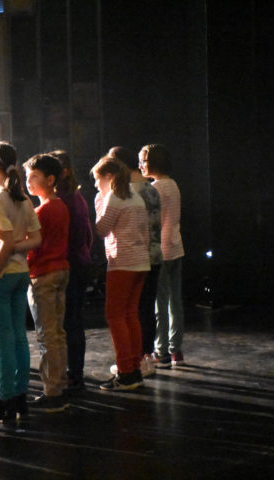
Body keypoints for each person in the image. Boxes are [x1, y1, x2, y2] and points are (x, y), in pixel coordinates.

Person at [0, 141, 41, 424]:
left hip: (0, 276)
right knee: (19, 340)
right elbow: (35, 239)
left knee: (4, 343)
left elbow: (5, 242)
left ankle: (4, 400)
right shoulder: (23, 199)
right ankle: (20, 398)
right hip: (21, 273)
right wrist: (14, 247)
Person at [91, 155, 149, 391]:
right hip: (140, 261)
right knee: (130, 315)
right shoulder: (135, 196)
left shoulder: (113, 197)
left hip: (122, 261)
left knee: (115, 316)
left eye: (98, 180)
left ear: (109, 177)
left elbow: (102, 229)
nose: (96, 185)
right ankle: (134, 368)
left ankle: (125, 372)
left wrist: (99, 204)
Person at [109, 146, 161, 378]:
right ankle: (145, 358)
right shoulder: (150, 187)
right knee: (145, 308)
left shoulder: (129, 191)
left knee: (132, 310)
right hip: (155, 253)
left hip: (134, 255)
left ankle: (136, 361)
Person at [23, 154, 70, 411]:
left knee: (46, 335)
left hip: (43, 274)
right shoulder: (60, 205)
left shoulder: (43, 210)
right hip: (61, 270)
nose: (28, 181)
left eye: (34, 176)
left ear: (50, 179)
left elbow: (35, 246)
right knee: (57, 332)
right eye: (27, 177)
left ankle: (52, 391)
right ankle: (59, 383)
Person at [49, 150, 93, 391]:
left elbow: (70, 238)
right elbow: (87, 235)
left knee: (68, 323)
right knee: (72, 322)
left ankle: (73, 374)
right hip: (79, 263)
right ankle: (74, 372)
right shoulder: (76, 196)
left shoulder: (64, 201)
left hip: (70, 265)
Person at [139, 144, 186, 367]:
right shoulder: (173, 184)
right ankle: (176, 350)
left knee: (160, 305)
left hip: (162, 251)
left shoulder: (155, 187)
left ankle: (161, 352)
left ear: (152, 162)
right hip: (177, 247)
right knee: (174, 302)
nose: (140, 165)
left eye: (143, 161)